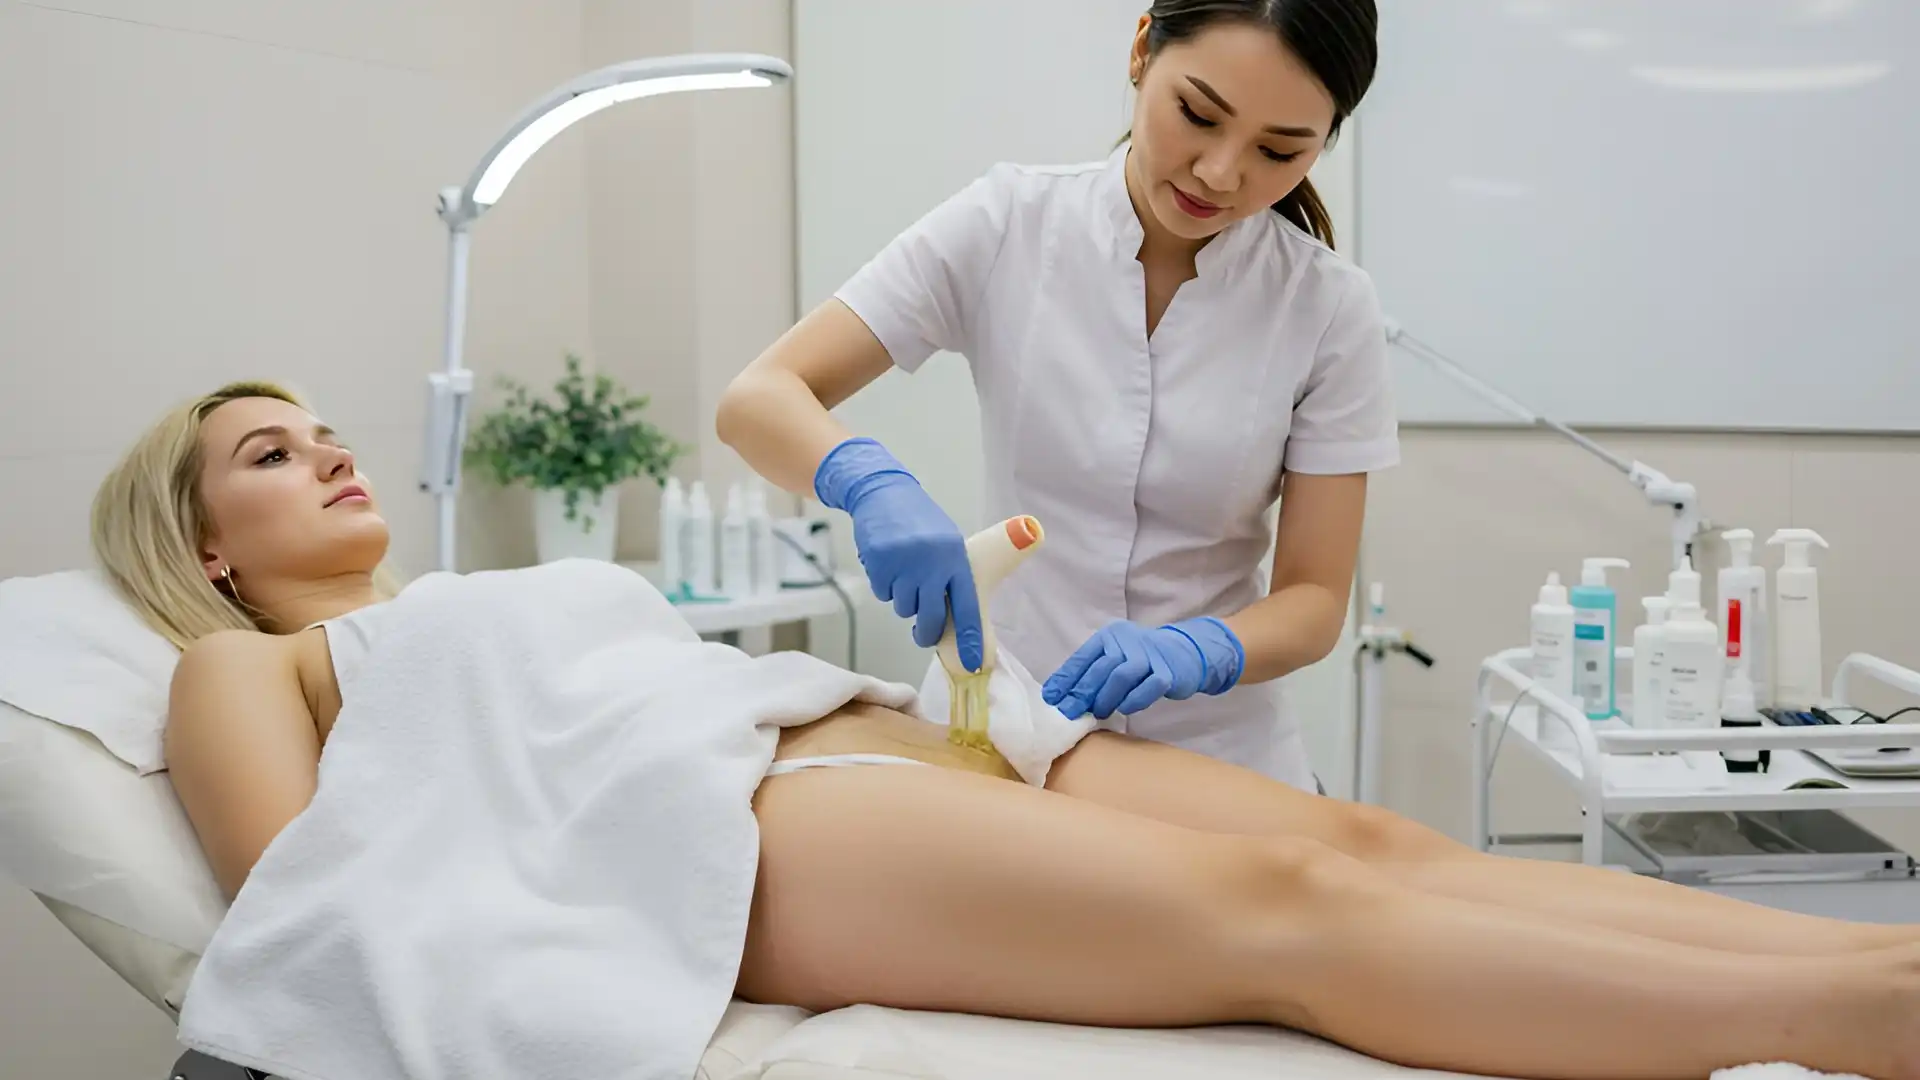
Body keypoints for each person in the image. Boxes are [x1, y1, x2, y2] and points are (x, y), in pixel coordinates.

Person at [86, 381, 1920, 1079]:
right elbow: (304, 893)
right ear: (205, 548)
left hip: (853, 726)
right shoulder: (240, 668)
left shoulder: (455, 594)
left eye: (320, 424)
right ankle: (1852, 1021)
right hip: (749, 821)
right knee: (1282, 933)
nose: (323, 448)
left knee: (1357, 842)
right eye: (268, 452)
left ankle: (1872, 957)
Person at [716, 0, 1399, 793]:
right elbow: (759, 397)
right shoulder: (1011, 222)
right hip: (1002, 722)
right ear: (1143, 49)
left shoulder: (1326, 307)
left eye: (1279, 152)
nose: (1221, 173)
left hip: (1212, 751)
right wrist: (867, 481)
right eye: (1198, 115)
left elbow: (1315, 599)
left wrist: (1203, 649)